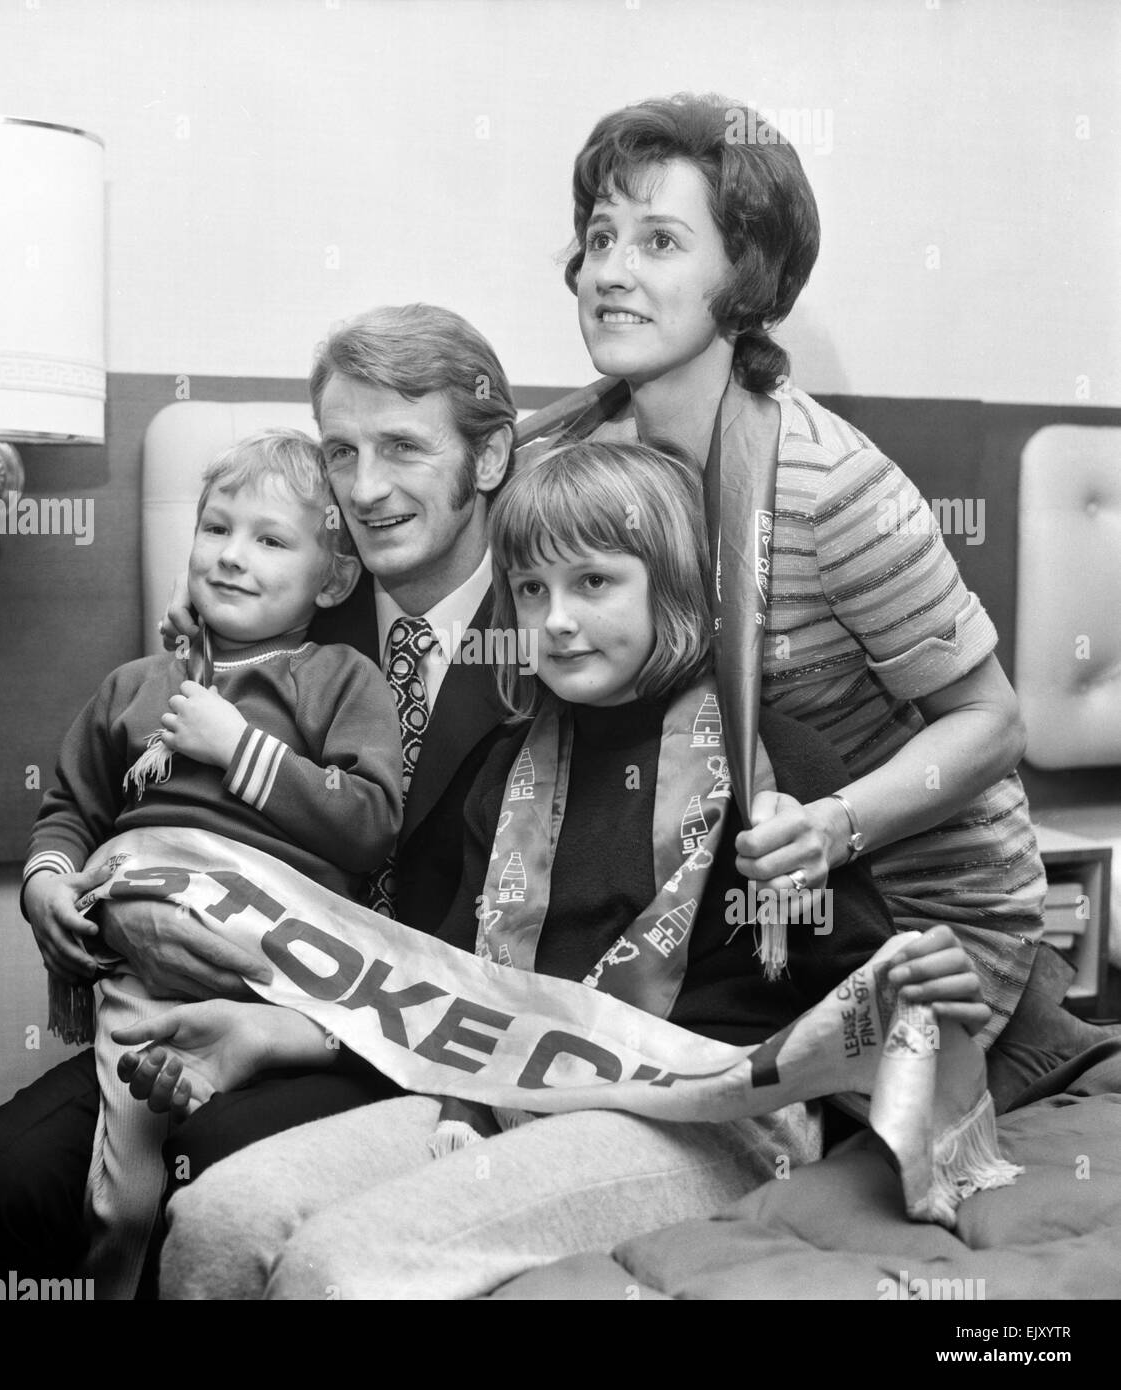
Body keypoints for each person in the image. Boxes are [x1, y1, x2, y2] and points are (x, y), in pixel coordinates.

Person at [128, 440, 990, 1300]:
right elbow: (441, 986)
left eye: (594, 582)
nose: (557, 620)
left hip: (710, 1120)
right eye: (532, 591)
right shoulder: (503, 769)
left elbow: (872, 1000)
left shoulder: (776, 761)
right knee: (220, 1217)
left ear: (675, 585)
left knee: (338, 1266)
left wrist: (884, 954)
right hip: (501, 1091)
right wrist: (274, 1033)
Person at [0, 305, 518, 1299]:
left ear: (489, 456)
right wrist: (70, 891)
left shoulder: (555, 630)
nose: (365, 487)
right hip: (152, 994)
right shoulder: (243, 634)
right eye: (341, 450)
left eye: (402, 447)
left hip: (363, 1027)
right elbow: (93, 794)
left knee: (207, 1168)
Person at [552, 91, 1103, 1102]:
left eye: (660, 241)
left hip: (908, 905)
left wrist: (835, 825)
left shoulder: (828, 485)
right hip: (721, 895)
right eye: (598, 238)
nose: (610, 273)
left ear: (744, 277)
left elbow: (988, 723)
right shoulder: (584, 461)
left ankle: (1028, 1035)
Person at [22, 427, 406, 1298]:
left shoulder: (343, 679)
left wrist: (238, 748)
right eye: (216, 529)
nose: (233, 557)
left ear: (334, 577)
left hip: (278, 954)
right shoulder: (131, 686)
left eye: (271, 540)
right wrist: (46, 879)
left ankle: (214, 1079)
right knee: (122, 1202)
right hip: (138, 957)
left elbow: (373, 822)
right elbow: (70, 811)